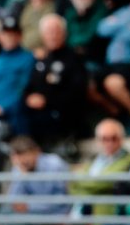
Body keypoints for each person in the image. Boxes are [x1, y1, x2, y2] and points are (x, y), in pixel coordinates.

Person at [24, 13, 88, 146]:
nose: (52, 35)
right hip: (36, 115)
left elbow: (78, 91)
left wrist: (47, 101)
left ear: (64, 33)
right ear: (42, 35)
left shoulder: (74, 58)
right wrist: (28, 98)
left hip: (62, 114)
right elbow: (29, 86)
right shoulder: (40, 59)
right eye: (49, 32)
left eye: (56, 31)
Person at [3, 135, 71, 225]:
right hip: (34, 212)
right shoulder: (19, 166)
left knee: (14, 220)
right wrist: (22, 174)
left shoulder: (54, 164)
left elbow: (61, 200)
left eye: (25, 154)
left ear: (37, 151)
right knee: (4, 212)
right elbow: (15, 201)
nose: (23, 160)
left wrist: (29, 206)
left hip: (58, 214)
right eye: (18, 156)